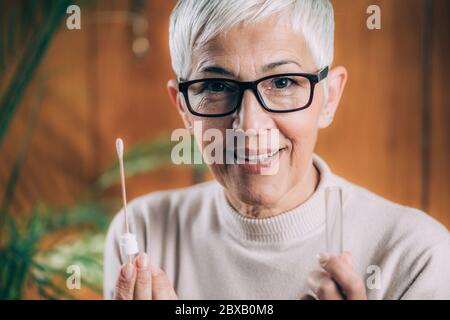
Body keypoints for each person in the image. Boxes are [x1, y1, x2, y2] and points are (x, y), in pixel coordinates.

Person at [104, 0, 450, 300]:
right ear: (183, 108)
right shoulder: (143, 233)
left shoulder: (417, 257)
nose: (250, 126)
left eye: (282, 82)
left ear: (329, 96)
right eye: (216, 86)